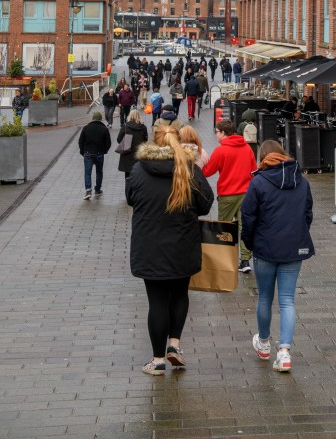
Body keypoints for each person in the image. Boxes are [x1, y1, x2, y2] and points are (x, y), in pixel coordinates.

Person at [126, 119, 214, 375]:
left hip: (149, 247)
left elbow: (131, 198)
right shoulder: (188, 169)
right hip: (182, 246)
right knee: (179, 295)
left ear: (155, 140)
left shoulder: (140, 169)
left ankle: (157, 360)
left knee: (156, 302)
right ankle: (174, 345)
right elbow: (206, 203)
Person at [241, 139, 314, 373]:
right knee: (287, 299)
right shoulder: (301, 181)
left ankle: (263, 343)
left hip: (265, 248)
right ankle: (284, 353)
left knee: (264, 297)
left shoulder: (258, 182)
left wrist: (249, 243)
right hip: (293, 248)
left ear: (262, 158)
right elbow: (308, 214)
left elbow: (248, 217)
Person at [202, 118, 257, 272]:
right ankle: (245, 261)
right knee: (244, 227)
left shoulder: (220, 150)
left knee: (224, 228)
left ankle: (224, 260)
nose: (216, 135)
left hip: (227, 195)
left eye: (217, 132)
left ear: (224, 133)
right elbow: (254, 171)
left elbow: (208, 171)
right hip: (246, 193)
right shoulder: (247, 148)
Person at [78, 111, 112, 200]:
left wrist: (82, 151)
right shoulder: (104, 129)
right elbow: (108, 143)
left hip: (88, 153)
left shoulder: (86, 128)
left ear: (93, 118)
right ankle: (97, 189)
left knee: (87, 173)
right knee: (99, 172)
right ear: (100, 119)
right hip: (99, 153)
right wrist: (104, 151)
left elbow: (81, 141)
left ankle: (88, 191)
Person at [116, 108, 148, 192]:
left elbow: (119, 139)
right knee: (139, 173)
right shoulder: (143, 127)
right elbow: (145, 140)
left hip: (127, 153)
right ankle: (137, 190)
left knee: (128, 174)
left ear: (130, 116)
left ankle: (128, 191)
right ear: (139, 116)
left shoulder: (126, 126)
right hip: (139, 154)